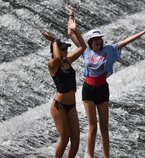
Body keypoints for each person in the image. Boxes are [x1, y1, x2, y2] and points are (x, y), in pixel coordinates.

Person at [81, 24, 145, 157]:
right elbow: (73, 34)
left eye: (99, 38)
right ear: (90, 42)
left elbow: (126, 41)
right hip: (88, 89)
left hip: (102, 89)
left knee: (104, 128)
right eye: (95, 39)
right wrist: (71, 19)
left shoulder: (109, 49)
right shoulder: (84, 50)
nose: (98, 40)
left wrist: (143, 32)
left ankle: (106, 156)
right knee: (92, 127)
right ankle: (90, 156)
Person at [42, 5, 86, 158]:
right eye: (63, 49)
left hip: (71, 105)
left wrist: (72, 22)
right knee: (64, 138)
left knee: (75, 140)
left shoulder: (67, 61)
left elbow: (83, 46)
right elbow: (57, 58)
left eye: (66, 49)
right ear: (55, 50)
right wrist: (54, 40)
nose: (66, 51)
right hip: (59, 105)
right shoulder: (52, 65)